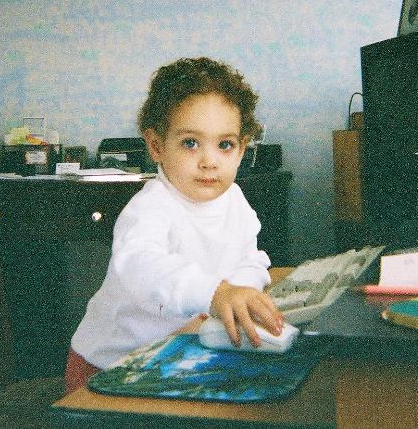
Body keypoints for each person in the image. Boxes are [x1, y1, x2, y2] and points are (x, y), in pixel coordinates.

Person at [65, 57, 284, 393]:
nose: (209, 161)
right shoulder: (150, 207)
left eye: (225, 145)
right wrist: (215, 293)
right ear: (157, 146)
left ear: (241, 150)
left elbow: (249, 258)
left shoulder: (235, 200)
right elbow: (142, 267)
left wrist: (240, 294)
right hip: (110, 367)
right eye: (190, 143)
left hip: (178, 355)